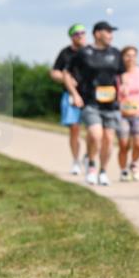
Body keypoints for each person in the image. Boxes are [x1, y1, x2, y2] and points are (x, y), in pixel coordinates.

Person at [64, 21, 125, 186]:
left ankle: (103, 171)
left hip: (111, 103)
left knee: (109, 138)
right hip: (90, 101)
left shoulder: (115, 53)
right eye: (108, 32)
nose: (111, 35)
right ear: (97, 34)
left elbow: (121, 75)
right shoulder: (84, 53)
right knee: (95, 134)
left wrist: (123, 88)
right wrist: (74, 94)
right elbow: (67, 74)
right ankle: (91, 165)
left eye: (112, 32)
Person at [51, 24, 88, 175]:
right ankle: (76, 160)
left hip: (88, 95)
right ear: (72, 36)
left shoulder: (90, 52)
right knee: (74, 129)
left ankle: (88, 155)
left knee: (94, 130)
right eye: (76, 34)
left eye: (82, 33)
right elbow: (54, 72)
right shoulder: (65, 53)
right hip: (71, 96)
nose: (80, 36)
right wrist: (66, 79)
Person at [116, 46, 139, 182]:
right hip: (122, 113)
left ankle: (134, 163)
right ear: (122, 57)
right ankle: (123, 170)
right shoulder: (117, 74)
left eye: (133, 55)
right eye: (127, 55)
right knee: (123, 144)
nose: (130, 58)